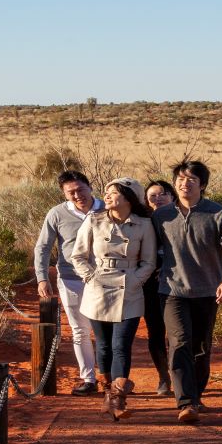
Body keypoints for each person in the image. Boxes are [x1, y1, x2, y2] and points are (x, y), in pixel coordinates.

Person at [151, 159, 222, 424]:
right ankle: (186, 402)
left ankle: (196, 395)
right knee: (179, 342)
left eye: (191, 179)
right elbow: (147, 248)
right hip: (172, 291)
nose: (184, 183)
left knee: (201, 348)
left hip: (207, 291)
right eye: (180, 179)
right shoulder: (162, 216)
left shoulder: (219, 214)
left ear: (202, 185)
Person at [68, 178, 158, 420]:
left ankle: (118, 399)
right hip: (98, 287)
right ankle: (108, 394)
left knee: (121, 345)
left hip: (128, 290)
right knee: (104, 345)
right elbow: (78, 255)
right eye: (106, 192)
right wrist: (90, 277)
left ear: (128, 197)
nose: (106, 196)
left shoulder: (143, 225)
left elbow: (149, 261)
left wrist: (135, 280)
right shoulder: (94, 220)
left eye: (113, 192)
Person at [33, 170, 105, 393]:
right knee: (80, 330)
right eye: (70, 192)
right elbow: (43, 247)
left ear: (90, 187)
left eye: (80, 189)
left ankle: (112, 377)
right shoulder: (56, 214)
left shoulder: (107, 208)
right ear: (64, 194)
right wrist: (42, 278)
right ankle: (89, 379)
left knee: (106, 330)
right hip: (71, 279)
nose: (77, 195)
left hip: (106, 279)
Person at [141, 179, 176, 396]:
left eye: (163, 193)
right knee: (155, 331)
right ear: (146, 200)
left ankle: (179, 374)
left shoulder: (180, 217)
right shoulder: (143, 221)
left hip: (177, 281)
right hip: (150, 283)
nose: (158, 198)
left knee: (177, 332)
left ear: (172, 196)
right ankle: (164, 377)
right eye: (152, 195)